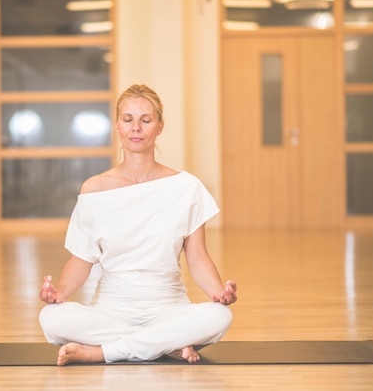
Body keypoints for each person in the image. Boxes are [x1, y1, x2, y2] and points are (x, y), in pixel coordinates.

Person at [39, 83, 237, 366]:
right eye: (128, 119)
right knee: (50, 318)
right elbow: (82, 259)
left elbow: (198, 257)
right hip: (112, 310)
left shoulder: (186, 187)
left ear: (159, 127)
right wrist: (59, 292)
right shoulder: (95, 189)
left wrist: (219, 293)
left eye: (146, 120)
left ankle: (104, 352)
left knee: (220, 316)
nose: (136, 128)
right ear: (117, 126)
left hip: (170, 308)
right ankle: (165, 344)